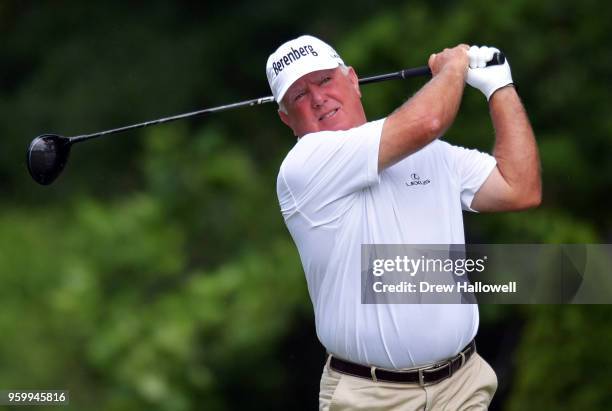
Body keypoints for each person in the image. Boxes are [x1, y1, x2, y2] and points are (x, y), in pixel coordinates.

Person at [266, 35, 540, 410]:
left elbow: (520, 188)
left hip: (461, 387)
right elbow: (428, 120)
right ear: (285, 118)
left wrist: (499, 87)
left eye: (325, 80)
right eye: (298, 95)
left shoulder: (430, 153)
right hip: (371, 397)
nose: (317, 98)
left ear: (353, 79)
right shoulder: (303, 168)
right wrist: (454, 67)